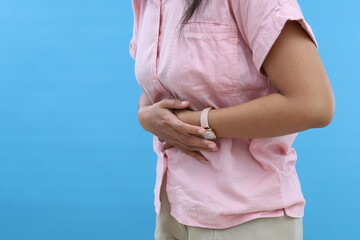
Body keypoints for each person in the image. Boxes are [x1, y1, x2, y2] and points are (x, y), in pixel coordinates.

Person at [129, 0, 335, 239]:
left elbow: (313, 103)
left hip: (248, 216)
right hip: (173, 211)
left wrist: (198, 123)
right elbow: (163, 84)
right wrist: (145, 115)